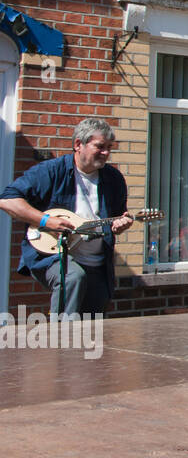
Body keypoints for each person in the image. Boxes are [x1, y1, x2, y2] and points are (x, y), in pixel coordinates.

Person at [0, 118, 135, 317]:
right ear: (78, 145)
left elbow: (115, 218)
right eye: (99, 146)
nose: (106, 153)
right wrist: (46, 221)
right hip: (52, 255)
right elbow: (7, 200)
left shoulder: (114, 179)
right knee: (73, 277)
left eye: (109, 147)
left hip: (97, 262)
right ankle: (61, 345)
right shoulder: (51, 171)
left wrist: (120, 225)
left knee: (93, 329)